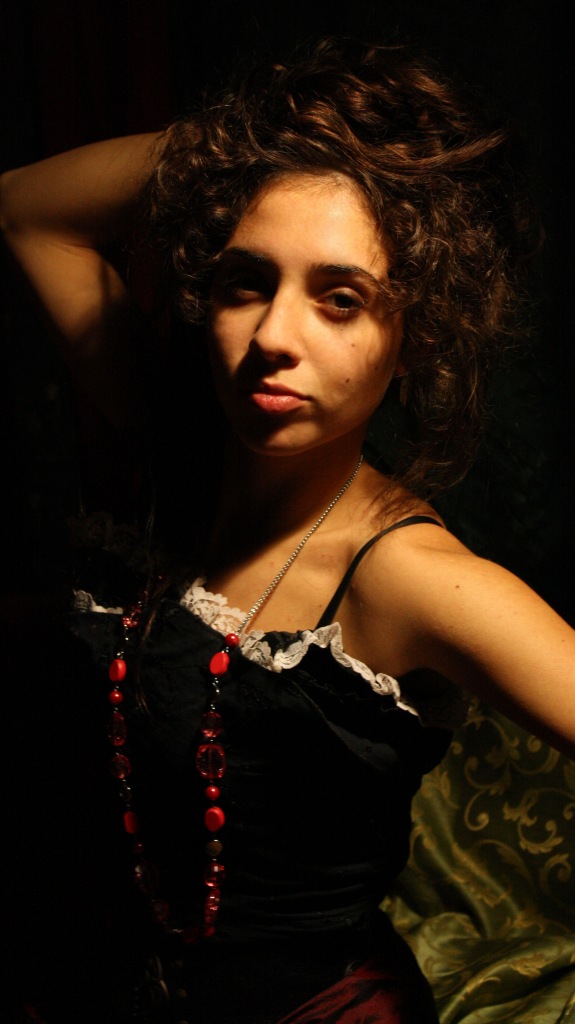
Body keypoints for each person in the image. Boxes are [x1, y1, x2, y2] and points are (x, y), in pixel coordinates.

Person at [1, 36, 573, 1024]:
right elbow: (27, 207)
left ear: (416, 334)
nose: (272, 336)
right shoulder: (172, 433)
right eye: (245, 281)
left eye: (339, 300)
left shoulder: (407, 575)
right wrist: (252, 148)